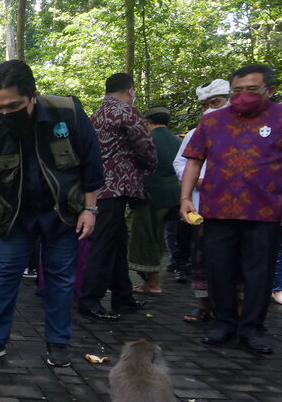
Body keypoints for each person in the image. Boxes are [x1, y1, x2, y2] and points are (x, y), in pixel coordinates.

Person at [0, 59, 104, 367]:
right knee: (5, 275)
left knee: (59, 278)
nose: (5, 113)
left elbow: (92, 161)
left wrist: (90, 208)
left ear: (33, 95)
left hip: (62, 211)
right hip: (14, 214)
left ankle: (58, 343)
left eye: (13, 106)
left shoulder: (67, 112)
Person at [180, 63, 282, 354]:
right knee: (219, 269)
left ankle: (252, 328)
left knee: (259, 273)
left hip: (265, 211)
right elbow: (194, 159)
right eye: (237, 90)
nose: (243, 96)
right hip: (217, 209)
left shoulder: (280, 117)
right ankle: (223, 323)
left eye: (252, 90)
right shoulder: (212, 122)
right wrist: (185, 198)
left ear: (269, 90)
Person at [78, 73, 158, 321]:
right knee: (103, 245)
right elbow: (145, 146)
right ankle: (89, 299)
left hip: (96, 187)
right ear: (131, 91)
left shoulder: (95, 115)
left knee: (117, 243)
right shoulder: (126, 112)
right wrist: (149, 167)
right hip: (116, 188)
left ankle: (123, 296)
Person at [172, 79, 230, 323]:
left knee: (234, 261)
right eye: (205, 104)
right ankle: (205, 307)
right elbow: (181, 162)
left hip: (236, 209)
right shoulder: (197, 132)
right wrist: (196, 180)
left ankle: (235, 314)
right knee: (201, 258)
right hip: (201, 206)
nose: (210, 109)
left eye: (215, 102)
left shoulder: (246, 130)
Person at [128, 105, 181, 294]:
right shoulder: (177, 141)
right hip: (174, 196)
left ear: (147, 122)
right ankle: (153, 281)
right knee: (160, 237)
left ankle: (152, 284)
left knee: (146, 239)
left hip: (151, 195)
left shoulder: (147, 140)